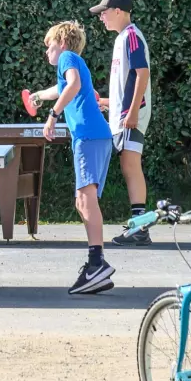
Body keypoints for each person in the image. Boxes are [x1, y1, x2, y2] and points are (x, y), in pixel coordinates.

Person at [30, 21, 115, 295]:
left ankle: (97, 264)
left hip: (89, 136)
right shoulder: (72, 63)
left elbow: (73, 85)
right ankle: (96, 263)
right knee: (83, 201)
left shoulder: (68, 57)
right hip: (94, 136)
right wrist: (38, 97)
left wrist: (52, 115)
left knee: (86, 200)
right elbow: (63, 87)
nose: (47, 51)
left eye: (49, 45)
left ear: (63, 43)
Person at [89, 0, 152, 245]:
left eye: (103, 12)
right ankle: (139, 226)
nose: (101, 17)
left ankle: (140, 228)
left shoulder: (132, 36)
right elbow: (126, 83)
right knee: (128, 165)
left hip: (131, 116)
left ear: (118, 11)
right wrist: (106, 103)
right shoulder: (122, 38)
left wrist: (133, 111)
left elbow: (142, 73)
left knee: (130, 165)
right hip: (124, 115)